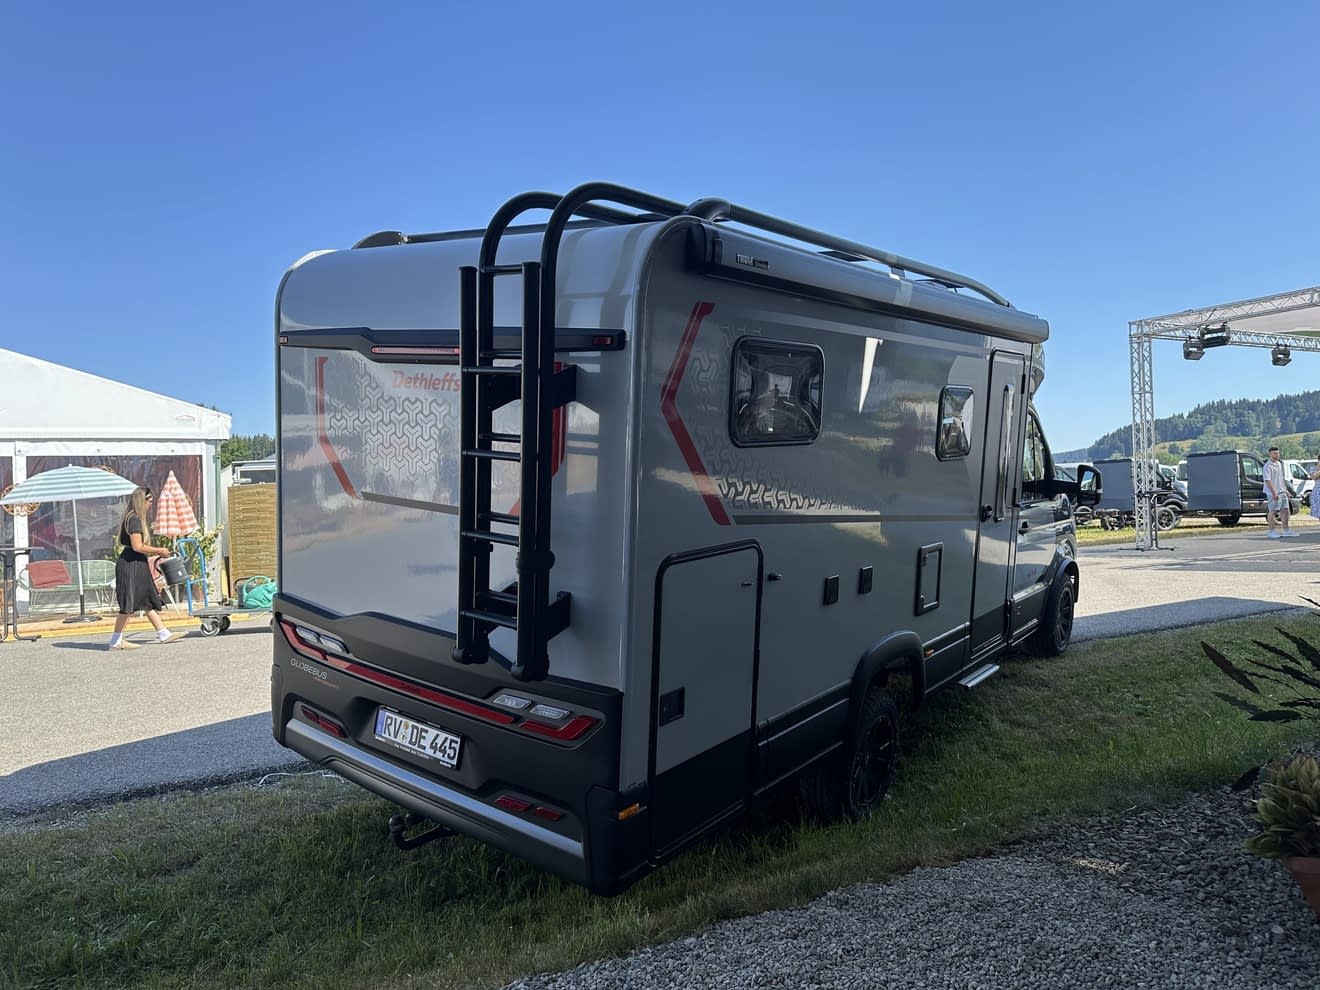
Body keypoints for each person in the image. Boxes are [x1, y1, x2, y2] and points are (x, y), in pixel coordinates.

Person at [107, 487, 176, 649]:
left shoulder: (131, 518)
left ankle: (163, 633)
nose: (150, 505)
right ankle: (116, 640)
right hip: (131, 563)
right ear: (141, 501)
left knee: (147, 599)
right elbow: (137, 546)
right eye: (149, 501)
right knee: (129, 603)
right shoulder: (134, 520)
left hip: (136, 562)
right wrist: (159, 551)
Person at [1263, 446, 1295, 538]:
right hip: (1273, 492)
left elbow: (1280, 479)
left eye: (1278, 453)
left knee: (1285, 510)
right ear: (1270, 454)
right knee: (1272, 511)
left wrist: (1285, 490)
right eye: (1275, 453)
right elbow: (1267, 481)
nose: (1277, 455)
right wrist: (1274, 493)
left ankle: (1286, 530)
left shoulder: (1279, 464)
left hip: (1282, 491)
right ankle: (1271, 531)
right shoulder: (1267, 466)